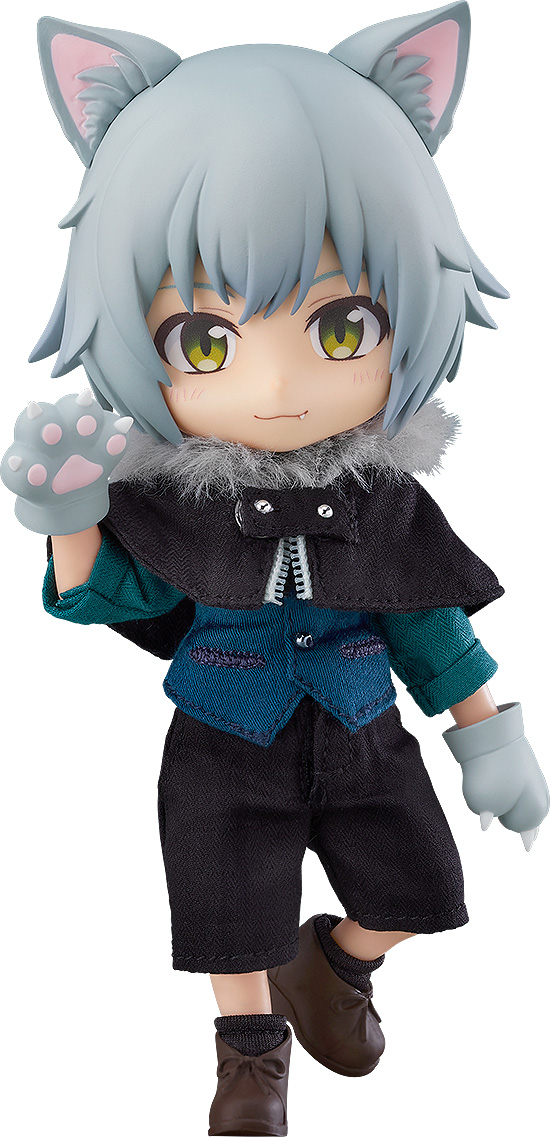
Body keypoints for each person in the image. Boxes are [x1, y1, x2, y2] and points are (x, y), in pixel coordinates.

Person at [2, 6, 548, 1134]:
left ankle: (336, 962)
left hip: (365, 731)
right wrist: (66, 515)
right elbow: (112, 594)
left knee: (422, 889)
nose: (279, 384)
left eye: (343, 327)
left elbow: (428, 622)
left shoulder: (384, 501)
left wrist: (489, 735)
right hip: (221, 737)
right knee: (226, 904)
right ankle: (249, 1058)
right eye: (204, 341)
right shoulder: (174, 505)